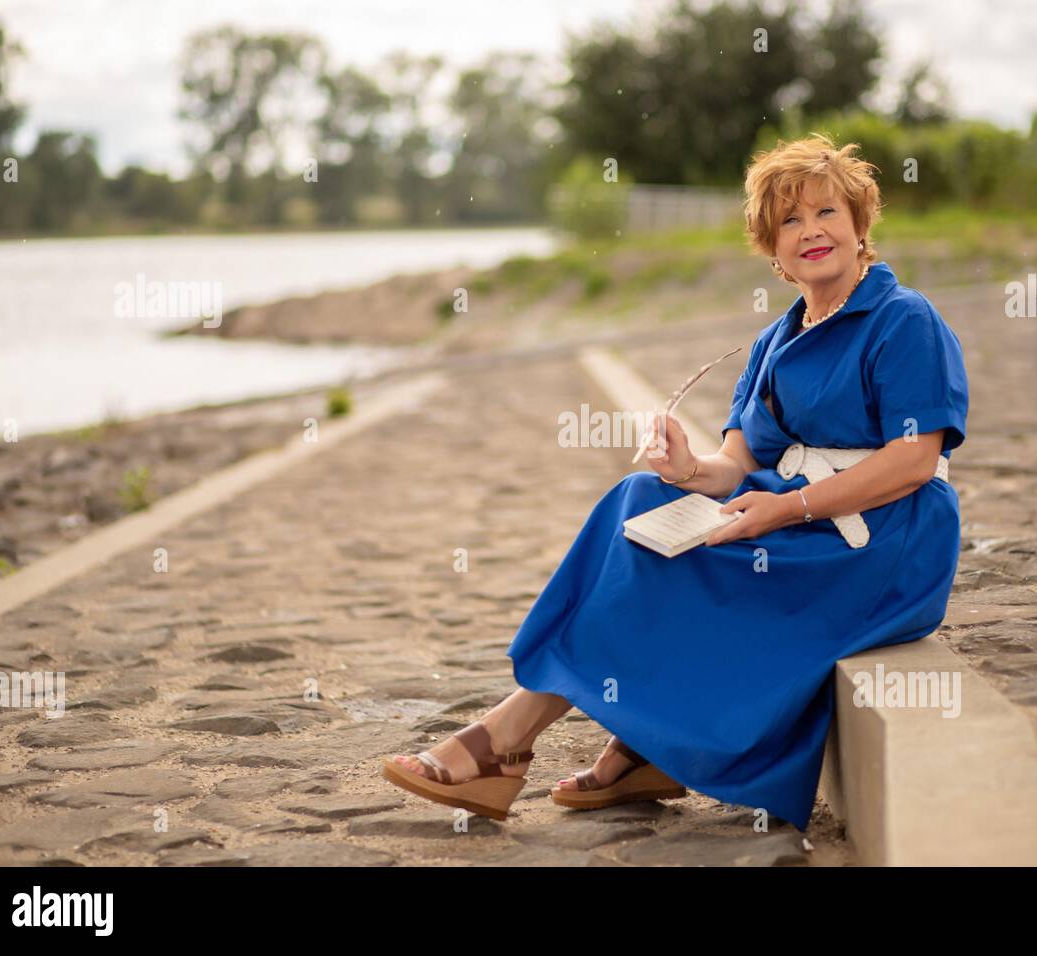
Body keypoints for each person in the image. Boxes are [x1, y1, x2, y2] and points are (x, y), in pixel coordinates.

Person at [381, 131, 970, 832]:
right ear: (772, 249)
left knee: (680, 560)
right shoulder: (774, 342)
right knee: (637, 502)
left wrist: (785, 512)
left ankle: (509, 741)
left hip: (884, 542)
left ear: (859, 225)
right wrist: (686, 468)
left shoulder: (902, 319)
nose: (811, 232)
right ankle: (637, 750)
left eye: (826, 214)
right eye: (790, 221)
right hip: (795, 515)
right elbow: (731, 466)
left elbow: (910, 462)